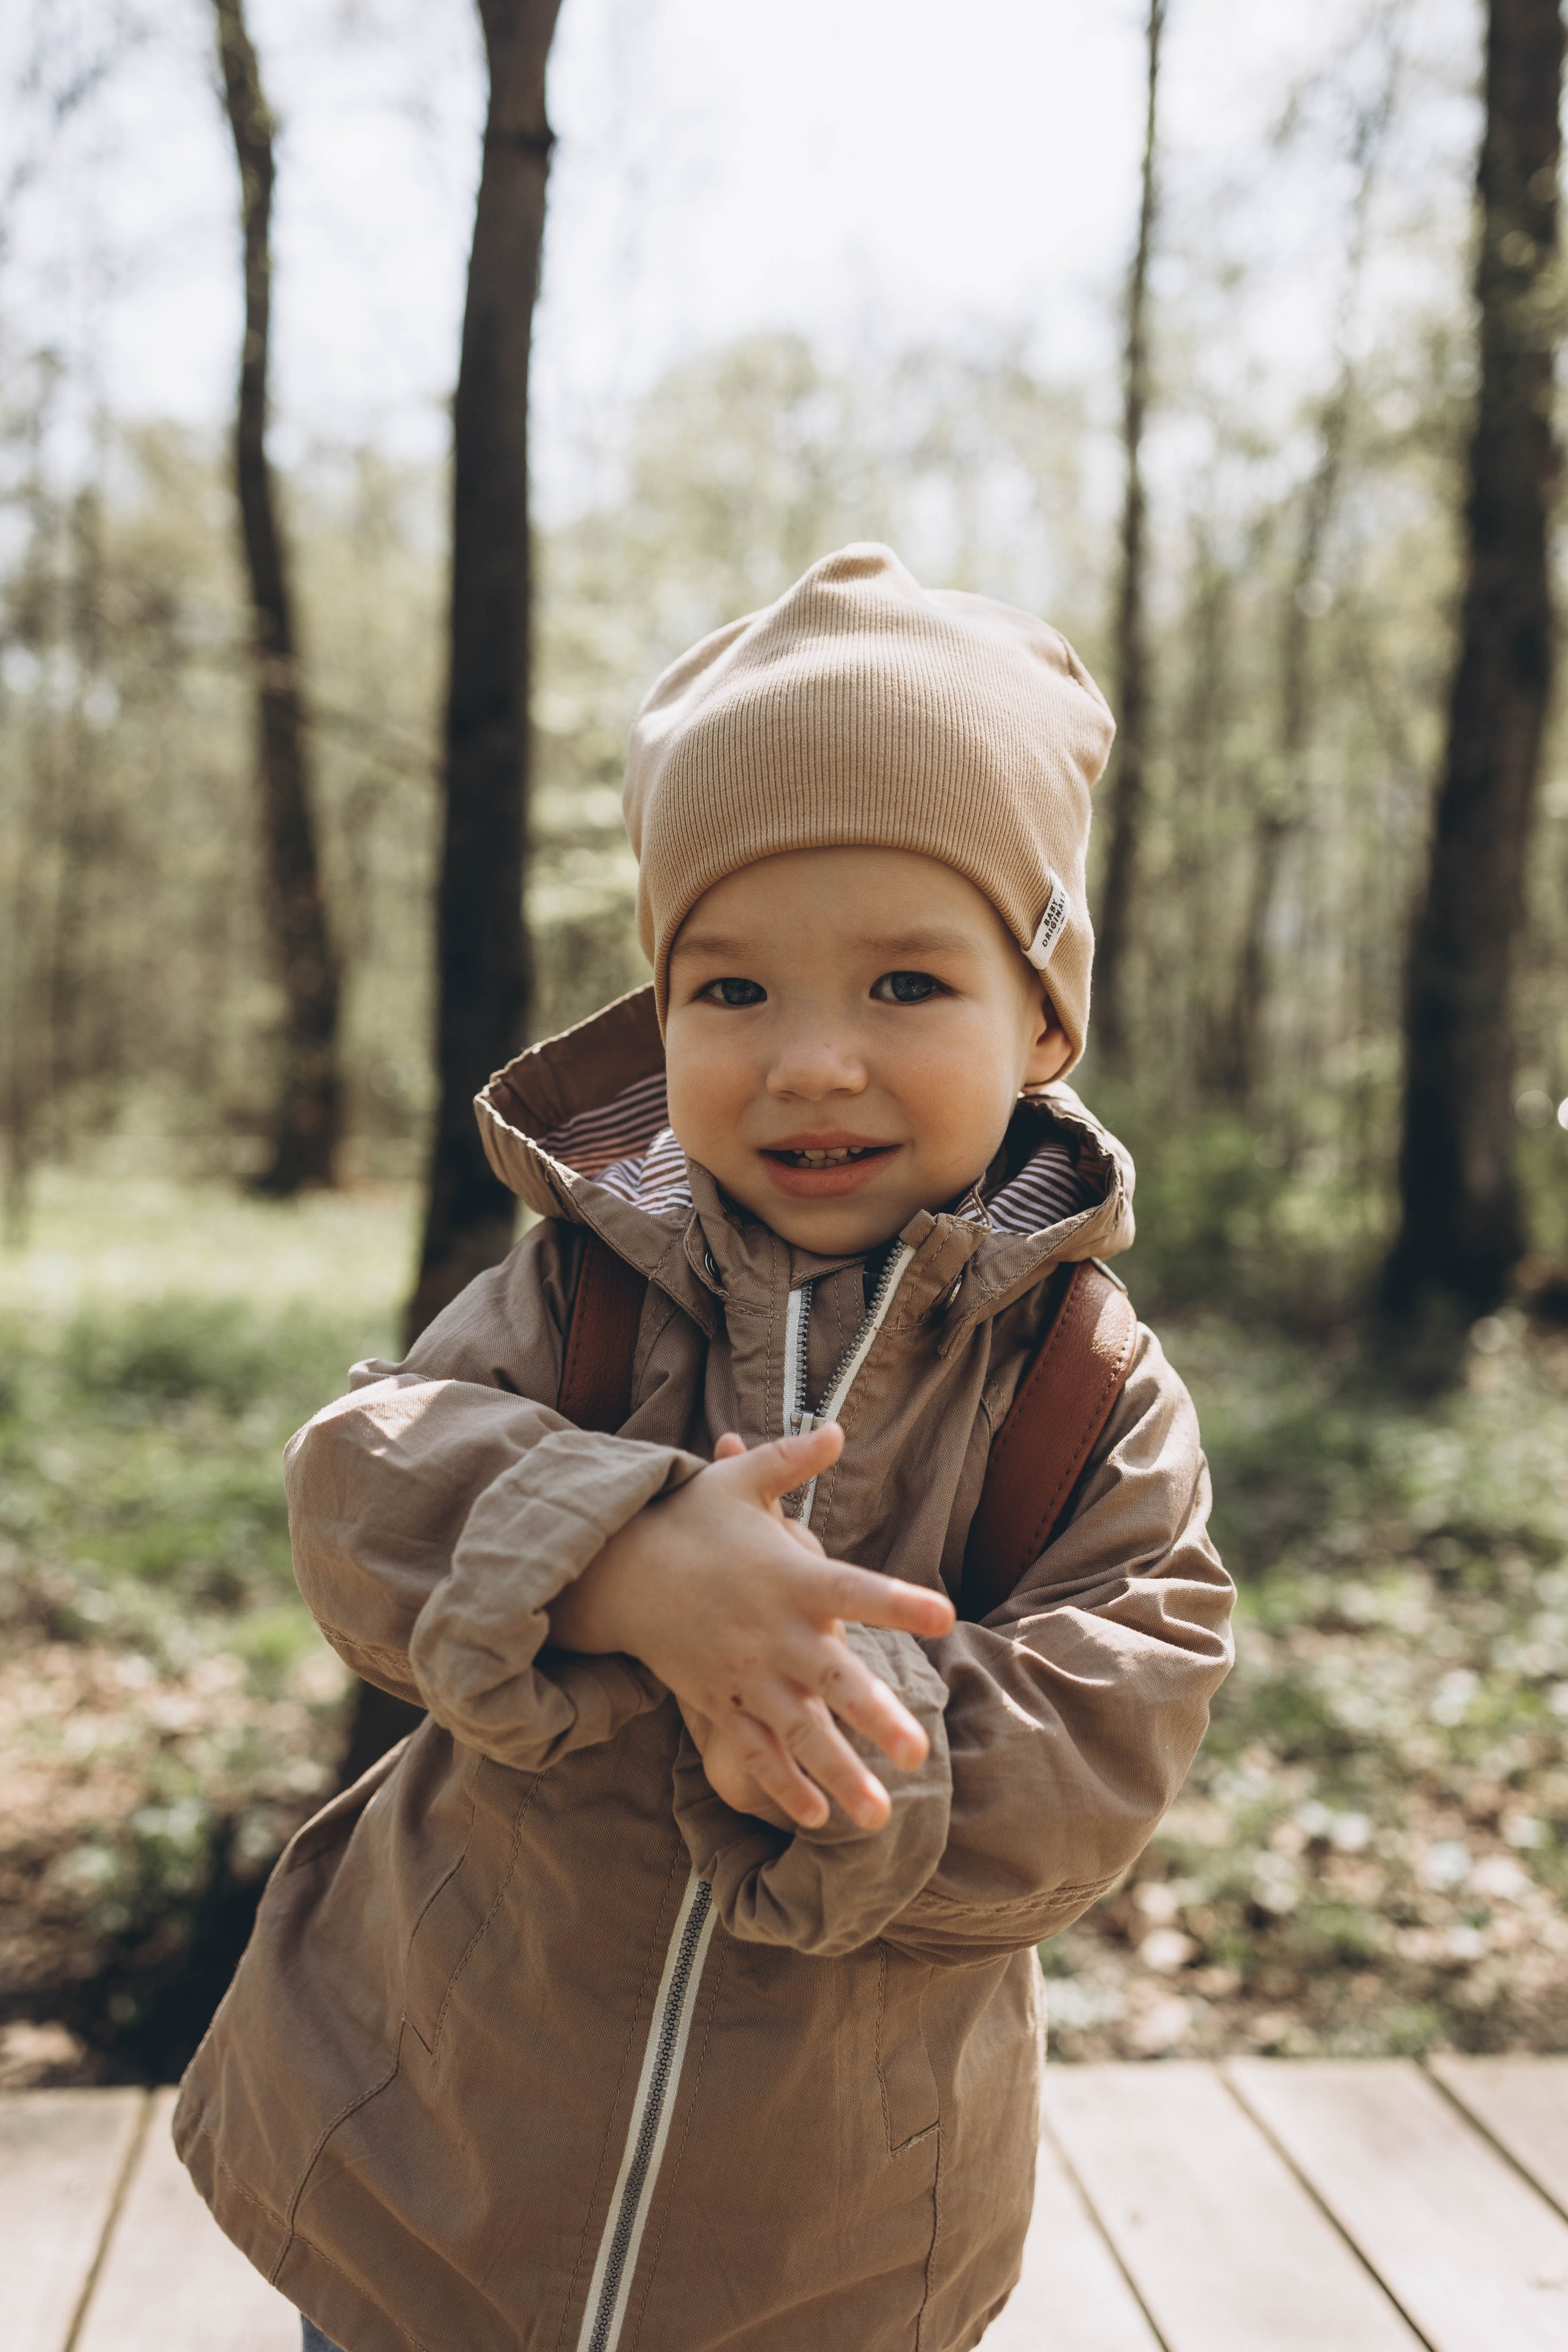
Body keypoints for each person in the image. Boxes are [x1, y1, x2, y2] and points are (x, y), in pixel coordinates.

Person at [175, 544, 1234, 2352]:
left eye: (907, 986)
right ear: (663, 1016)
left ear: (1042, 1016)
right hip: (443, 2149)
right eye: (733, 992)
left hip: (823, 2233)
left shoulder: (1080, 1384)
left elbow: (1125, 1709)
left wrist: (839, 1730)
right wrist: (620, 1552)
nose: (813, 1060)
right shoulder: (582, 1291)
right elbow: (364, 1483)